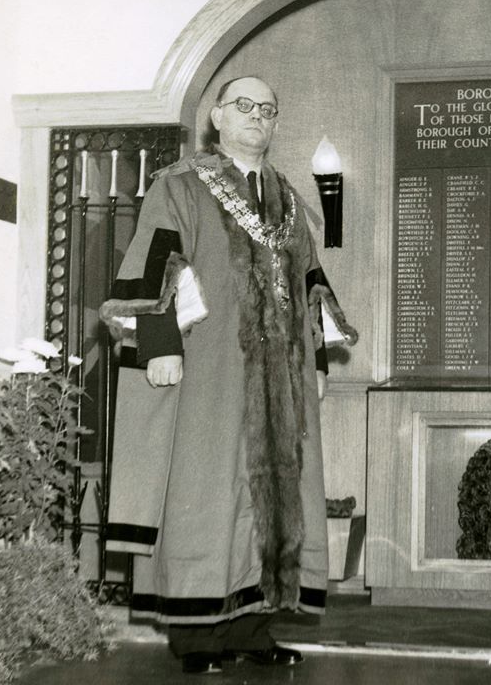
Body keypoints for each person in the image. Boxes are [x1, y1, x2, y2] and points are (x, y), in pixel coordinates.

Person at [99, 76, 357, 675]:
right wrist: (160, 345)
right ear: (217, 117)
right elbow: (154, 263)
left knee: (274, 500)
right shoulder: (182, 186)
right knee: (206, 495)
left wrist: (315, 361)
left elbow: (311, 287)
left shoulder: (291, 201)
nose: (258, 118)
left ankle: (253, 628)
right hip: (211, 373)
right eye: (245, 106)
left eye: (269, 109)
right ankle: (197, 639)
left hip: (282, 381)